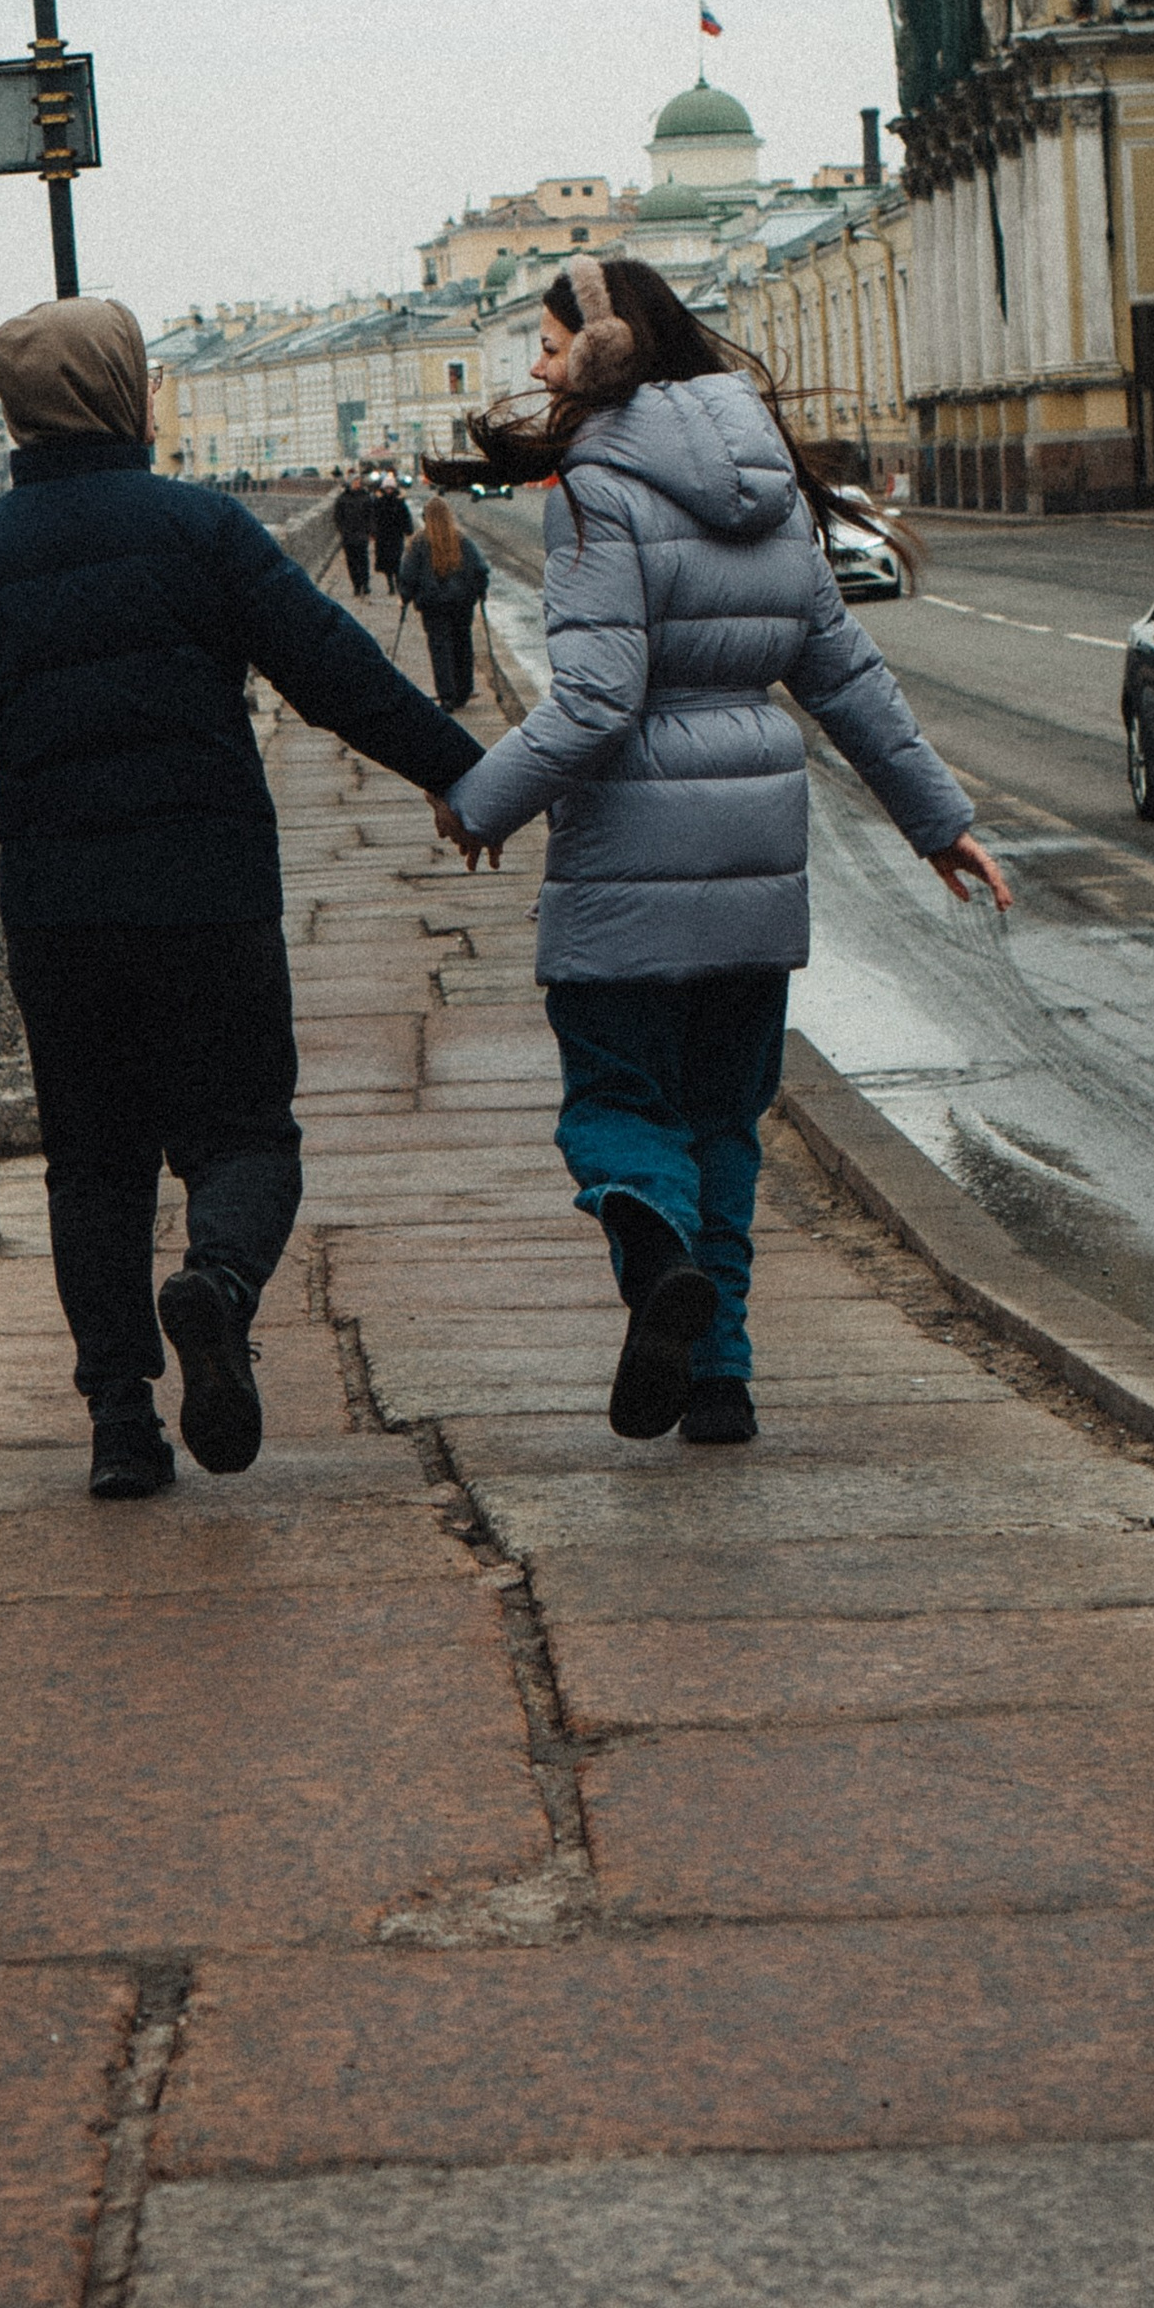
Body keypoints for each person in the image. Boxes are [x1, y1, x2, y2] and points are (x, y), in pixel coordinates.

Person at [0, 296, 481, 1500]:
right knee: (244, 1134)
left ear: (14, 412)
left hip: (61, 917)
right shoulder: (203, 531)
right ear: (126, 394)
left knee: (95, 1165)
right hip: (209, 894)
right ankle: (218, 1287)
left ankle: (121, 1423)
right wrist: (459, 775)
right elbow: (336, 675)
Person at [435, 255, 1012, 1447]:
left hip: (628, 867)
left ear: (603, 350)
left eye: (546, 346)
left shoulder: (597, 489)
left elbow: (596, 701)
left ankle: (653, 1254)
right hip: (754, 862)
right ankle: (720, 1382)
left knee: (615, 1104)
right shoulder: (763, 484)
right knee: (722, 1126)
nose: (535, 371)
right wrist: (937, 821)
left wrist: (479, 802)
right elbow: (841, 673)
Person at [397, 493, 491, 708]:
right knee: (462, 645)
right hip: (461, 602)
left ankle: (446, 694)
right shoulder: (463, 541)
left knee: (439, 648)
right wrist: (480, 591)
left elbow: (408, 574)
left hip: (432, 605)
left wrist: (405, 596)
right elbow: (479, 569)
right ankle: (463, 691)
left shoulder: (418, 543)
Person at [333, 469, 376, 597]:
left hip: (362, 534)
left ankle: (365, 584)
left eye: (359, 481)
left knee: (363, 560)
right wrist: (343, 530)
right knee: (352, 561)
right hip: (348, 535)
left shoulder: (366, 496)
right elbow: (337, 517)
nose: (358, 483)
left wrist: (371, 531)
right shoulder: (342, 498)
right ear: (350, 483)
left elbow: (371, 515)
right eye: (355, 481)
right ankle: (356, 585)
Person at [367, 473, 415, 579]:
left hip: (396, 535)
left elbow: (406, 517)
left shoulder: (399, 502)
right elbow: (374, 518)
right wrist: (373, 531)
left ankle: (398, 580)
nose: (389, 490)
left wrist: (408, 530)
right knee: (386, 561)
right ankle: (390, 583)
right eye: (387, 488)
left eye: (391, 488)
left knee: (397, 558)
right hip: (383, 535)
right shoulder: (378, 502)